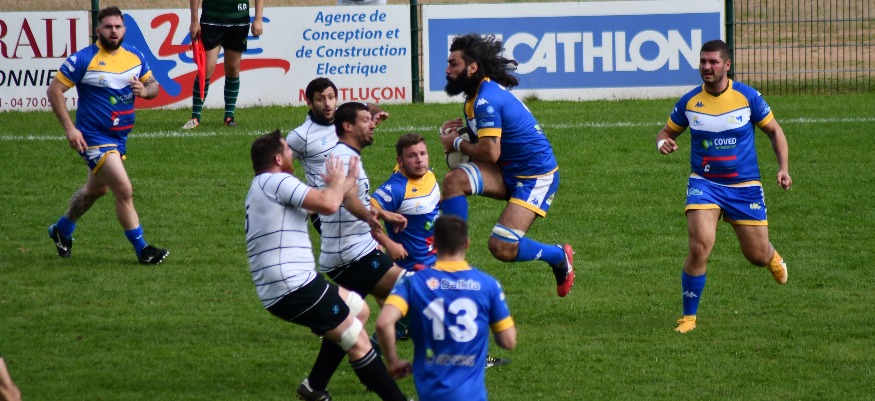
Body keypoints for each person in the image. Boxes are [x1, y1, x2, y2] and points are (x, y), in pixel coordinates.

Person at [244, 130, 409, 401]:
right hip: (292, 285)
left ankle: (314, 386)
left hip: (287, 283)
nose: (292, 153)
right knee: (356, 338)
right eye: (287, 150)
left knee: (358, 310)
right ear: (277, 159)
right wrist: (338, 182)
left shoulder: (262, 186)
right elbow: (329, 204)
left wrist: (348, 183)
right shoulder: (278, 181)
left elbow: (316, 205)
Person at [655, 39, 791, 334]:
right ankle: (688, 317)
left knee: (756, 256)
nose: (706, 67)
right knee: (699, 246)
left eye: (713, 62)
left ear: (727, 65)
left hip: (745, 187)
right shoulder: (690, 102)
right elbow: (666, 132)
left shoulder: (747, 97)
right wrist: (662, 143)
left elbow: (774, 132)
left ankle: (770, 255)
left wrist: (783, 168)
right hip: (705, 184)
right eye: (703, 61)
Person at [437, 33, 574, 297]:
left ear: (472, 67)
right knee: (454, 181)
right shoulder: (475, 97)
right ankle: (453, 261)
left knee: (501, 247)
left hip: (535, 178)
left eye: (453, 64)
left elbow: (490, 152)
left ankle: (558, 256)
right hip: (507, 169)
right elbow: (486, 144)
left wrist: (456, 143)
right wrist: (456, 134)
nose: (447, 70)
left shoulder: (486, 100)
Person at [294, 102, 409, 400]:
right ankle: (455, 360)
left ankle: (314, 385)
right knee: (416, 290)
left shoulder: (347, 154)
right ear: (348, 126)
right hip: (352, 256)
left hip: (350, 253)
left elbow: (356, 198)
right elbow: (349, 200)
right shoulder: (344, 157)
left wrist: (381, 214)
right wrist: (370, 218)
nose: (372, 125)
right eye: (365, 121)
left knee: (347, 322)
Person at [46, 6, 169, 265]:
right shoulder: (83, 59)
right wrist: (70, 129)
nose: (113, 31)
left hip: (119, 138)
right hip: (93, 137)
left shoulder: (134, 56)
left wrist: (145, 91)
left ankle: (62, 229)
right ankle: (143, 250)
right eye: (108, 27)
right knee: (123, 189)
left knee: (96, 189)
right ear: (97, 30)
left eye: (118, 27)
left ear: (124, 29)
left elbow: (154, 85)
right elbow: (54, 90)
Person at [376, 215, 517, 401]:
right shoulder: (488, 285)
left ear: (434, 244)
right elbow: (508, 341)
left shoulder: (413, 282)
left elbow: (384, 323)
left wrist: (393, 362)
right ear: (467, 244)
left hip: (430, 393)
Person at [286, 77, 394, 234]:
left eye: (331, 97)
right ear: (309, 102)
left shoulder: (345, 116)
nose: (327, 103)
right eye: (320, 99)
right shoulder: (301, 136)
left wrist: (377, 113)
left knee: (368, 240)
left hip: (355, 195)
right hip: (325, 205)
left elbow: (368, 106)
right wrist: (303, 194)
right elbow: (278, 165)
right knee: (356, 243)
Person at [182, 0, 264, 129]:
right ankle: (195, 117)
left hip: (239, 18)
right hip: (211, 17)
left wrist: (258, 18)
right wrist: (194, 20)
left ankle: (229, 117)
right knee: (206, 69)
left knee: (233, 69)